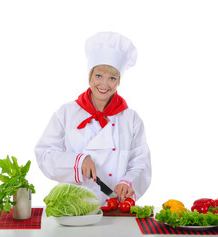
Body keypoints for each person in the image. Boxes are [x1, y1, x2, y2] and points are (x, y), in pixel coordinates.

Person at [35, 32, 151, 205]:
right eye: (98, 76)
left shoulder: (131, 118)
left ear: (119, 81)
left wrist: (128, 183)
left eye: (112, 78)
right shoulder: (66, 113)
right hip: (75, 207)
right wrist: (78, 161)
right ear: (89, 76)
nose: (104, 84)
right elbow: (44, 155)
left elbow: (141, 162)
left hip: (117, 206)